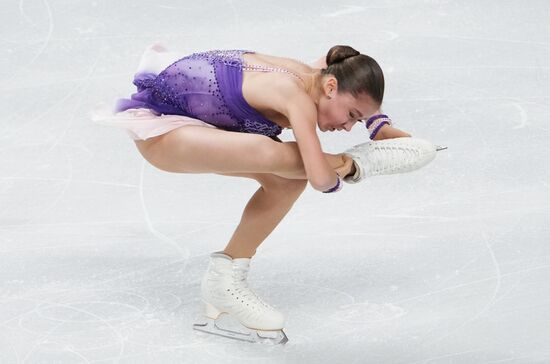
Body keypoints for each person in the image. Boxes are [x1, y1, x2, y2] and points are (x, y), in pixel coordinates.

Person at [92, 43, 439, 344]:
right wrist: (357, 165)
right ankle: (362, 160)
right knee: (283, 156)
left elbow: (352, 68)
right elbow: (320, 178)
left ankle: (224, 280)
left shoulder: (323, 72)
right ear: (331, 88)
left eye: (357, 120)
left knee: (286, 180)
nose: (347, 126)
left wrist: (377, 123)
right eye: (351, 116)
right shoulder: (298, 98)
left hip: (194, 128)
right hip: (165, 137)